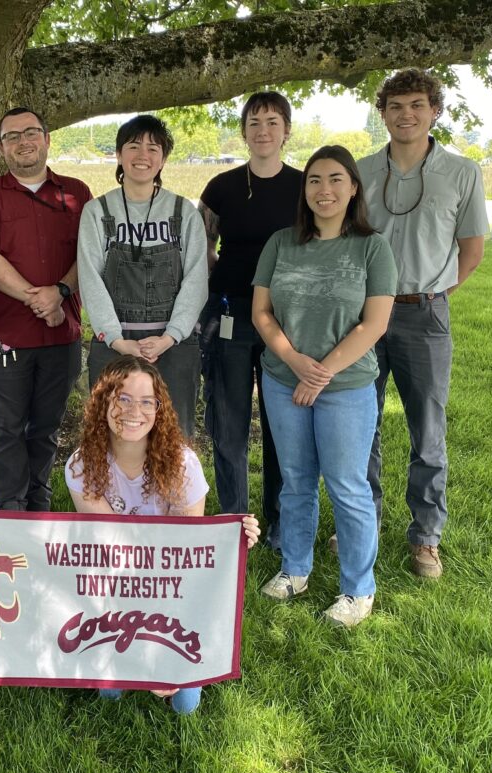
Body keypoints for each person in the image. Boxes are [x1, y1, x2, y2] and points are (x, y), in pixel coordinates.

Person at [65, 355, 260, 713]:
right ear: (104, 401)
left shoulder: (182, 463)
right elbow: (111, 547)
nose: (133, 410)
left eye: (146, 401)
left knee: (184, 702)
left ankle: (161, 658)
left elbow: (188, 557)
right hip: (115, 584)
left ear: (159, 409)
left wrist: (231, 537)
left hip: (171, 587)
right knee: (109, 693)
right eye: (121, 398)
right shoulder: (81, 465)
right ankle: (127, 653)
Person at [252, 145, 397, 628]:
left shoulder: (372, 247)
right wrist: (294, 361)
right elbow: (262, 313)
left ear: (353, 187)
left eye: (336, 179)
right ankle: (295, 569)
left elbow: (373, 324)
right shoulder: (280, 242)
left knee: (347, 486)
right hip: (281, 379)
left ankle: (359, 589)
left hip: (346, 386)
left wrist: (322, 372)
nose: (325, 189)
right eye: (314, 180)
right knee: (295, 481)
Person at [358, 69, 488, 579]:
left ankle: (426, 536)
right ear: (383, 112)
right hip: (364, 314)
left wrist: (430, 296)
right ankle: (361, 522)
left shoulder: (462, 172)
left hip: (424, 312)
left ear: (434, 110)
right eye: (395, 105)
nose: (405, 114)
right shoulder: (363, 170)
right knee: (359, 424)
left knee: (427, 430)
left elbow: (471, 251)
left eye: (416, 104)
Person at [0, 107, 92, 511]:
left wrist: (59, 292)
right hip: (8, 336)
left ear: (46, 138)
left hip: (63, 335)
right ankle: (9, 508)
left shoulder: (76, 192)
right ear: (0, 147)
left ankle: (38, 505)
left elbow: (87, 254)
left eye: (31, 132)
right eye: (12, 136)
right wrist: (37, 298)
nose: (24, 141)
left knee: (46, 428)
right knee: (6, 429)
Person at [198, 91, 302, 550]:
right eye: (254, 122)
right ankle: (234, 523)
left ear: (286, 130)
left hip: (287, 321)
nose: (263, 130)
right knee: (229, 422)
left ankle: (279, 525)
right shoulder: (220, 187)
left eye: (273, 121)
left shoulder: (304, 187)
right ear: (244, 131)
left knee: (281, 425)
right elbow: (202, 246)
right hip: (229, 315)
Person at [77, 115, 207, 438]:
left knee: (173, 440)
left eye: (153, 148)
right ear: (119, 155)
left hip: (174, 349)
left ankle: (174, 493)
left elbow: (196, 280)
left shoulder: (183, 213)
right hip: (115, 346)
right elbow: (90, 279)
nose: (143, 155)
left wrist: (169, 336)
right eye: (133, 146)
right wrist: (118, 341)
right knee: (112, 435)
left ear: (163, 158)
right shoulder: (97, 212)